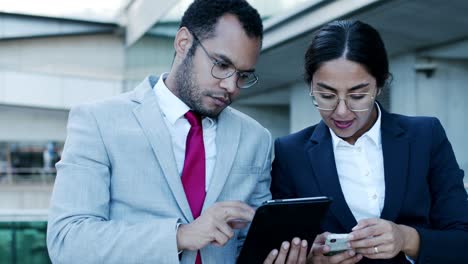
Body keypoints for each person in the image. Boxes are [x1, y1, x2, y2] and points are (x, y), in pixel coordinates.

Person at [47, 1, 306, 263]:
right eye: (221, 65)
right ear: (183, 43)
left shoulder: (256, 138)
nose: (231, 86)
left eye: (243, 75)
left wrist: (287, 253)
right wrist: (179, 236)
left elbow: (250, 244)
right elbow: (67, 241)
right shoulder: (99, 122)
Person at [271, 20, 468, 264]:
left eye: (357, 95)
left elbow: (462, 240)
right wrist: (313, 259)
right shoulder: (290, 153)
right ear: (310, 85)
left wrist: (406, 239)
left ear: (380, 84)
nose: (341, 112)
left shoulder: (425, 136)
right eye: (326, 95)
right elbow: (283, 249)